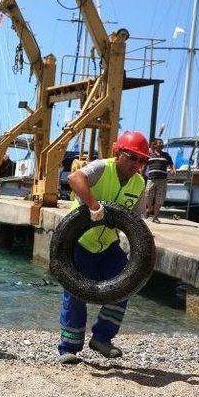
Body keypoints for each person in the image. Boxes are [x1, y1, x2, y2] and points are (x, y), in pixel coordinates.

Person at [57, 130, 149, 365]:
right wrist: (94, 205)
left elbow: (137, 219)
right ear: (118, 153)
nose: (137, 164)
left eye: (142, 160)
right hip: (79, 242)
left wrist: (141, 244)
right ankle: (68, 347)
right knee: (76, 291)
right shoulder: (102, 167)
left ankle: (102, 339)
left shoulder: (139, 183)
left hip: (108, 244)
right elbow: (74, 178)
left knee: (125, 285)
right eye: (132, 157)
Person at [144, 138, 175, 223]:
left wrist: (173, 170)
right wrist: (141, 174)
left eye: (162, 142)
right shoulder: (149, 155)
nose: (162, 144)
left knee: (159, 199)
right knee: (147, 196)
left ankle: (155, 217)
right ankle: (150, 209)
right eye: (160, 143)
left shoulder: (166, 155)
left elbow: (171, 164)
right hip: (151, 179)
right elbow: (144, 166)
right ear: (155, 145)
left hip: (162, 180)